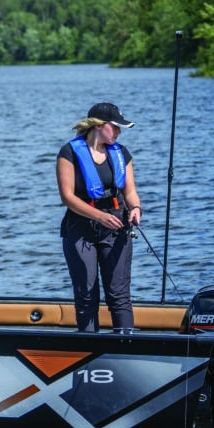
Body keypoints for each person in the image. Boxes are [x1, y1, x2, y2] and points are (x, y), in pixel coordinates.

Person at [56, 103, 143, 333]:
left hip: (116, 225)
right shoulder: (69, 152)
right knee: (86, 295)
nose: (118, 132)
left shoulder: (121, 153)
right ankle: (88, 349)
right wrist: (99, 216)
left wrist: (135, 208)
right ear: (98, 125)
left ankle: (126, 346)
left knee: (119, 294)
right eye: (115, 127)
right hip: (80, 227)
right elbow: (67, 197)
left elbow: (130, 190)